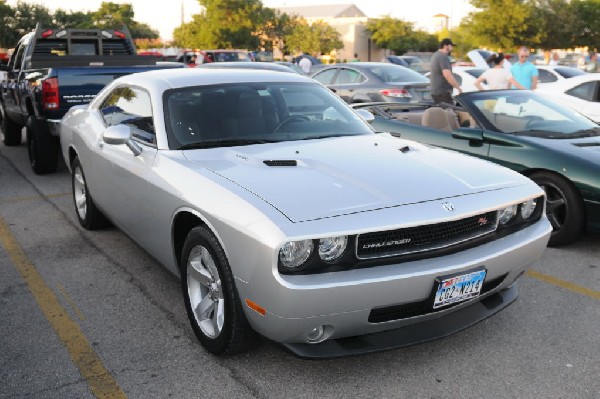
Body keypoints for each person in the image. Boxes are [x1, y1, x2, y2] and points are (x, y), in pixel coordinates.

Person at [429, 38, 462, 104]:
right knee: (451, 113)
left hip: (436, 92)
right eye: (451, 46)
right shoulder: (443, 57)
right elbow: (447, 74)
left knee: (442, 113)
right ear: (445, 46)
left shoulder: (435, 55)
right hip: (443, 93)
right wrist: (458, 88)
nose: (452, 49)